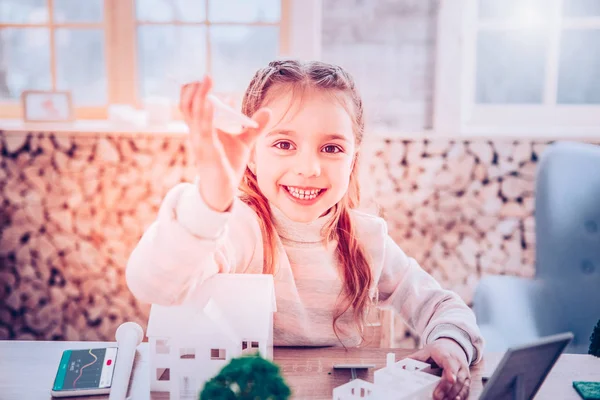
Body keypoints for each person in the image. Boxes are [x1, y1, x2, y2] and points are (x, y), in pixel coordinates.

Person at [126, 59, 484, 400]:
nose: (309, 167)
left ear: (353, 158)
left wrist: (451, 343)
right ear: (252, 153)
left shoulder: (367, 240)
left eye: (331, 148)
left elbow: (442, 306)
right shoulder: (239, 226)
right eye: (284, 144)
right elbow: (152, 284)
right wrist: (210, 202)